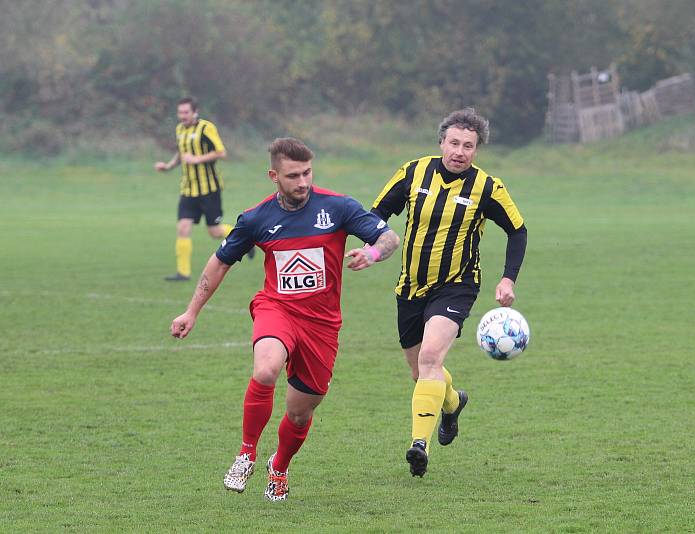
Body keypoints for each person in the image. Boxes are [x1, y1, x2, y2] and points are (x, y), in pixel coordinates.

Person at [170, 137, 400, 501]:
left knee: (298, 413)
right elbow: (220, 262)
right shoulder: (256, 218)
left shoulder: (338, 207)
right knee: (265, 370)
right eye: (293, 175)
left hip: (322, 325)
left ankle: (278, 466)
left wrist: (372, 253)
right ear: (273, 175)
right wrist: (192, 310)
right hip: (276, 309)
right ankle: (246, 453)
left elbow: (389, 237)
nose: (303, 182)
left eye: (307, 172)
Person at [370, 108, 527, 477]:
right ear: (441, 142)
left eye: (468, 146)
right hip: (410, 286)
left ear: (476, 150)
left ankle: (418, 445)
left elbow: (517, 231)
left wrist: (508, 279)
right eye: (454, 143)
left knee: (429, 359)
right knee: (421, 372)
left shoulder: (488, 188)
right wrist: (372, 248)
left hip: (456, 286)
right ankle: (453, 404)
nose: (460, 151)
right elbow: (376, 213)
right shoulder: (412, 172)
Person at [155, 96, 252, 282]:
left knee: (214, 231)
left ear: (195, 112)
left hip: (209, 189)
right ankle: (183, 273)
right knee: (183, 228)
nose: (182, 116)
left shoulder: (206, 128)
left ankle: (246, 240)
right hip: (188, 189)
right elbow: (181, 153)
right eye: (180, 112)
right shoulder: (179, 130)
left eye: (186, 112)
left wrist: (197, 159)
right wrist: (167, 167)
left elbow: (221, 152)